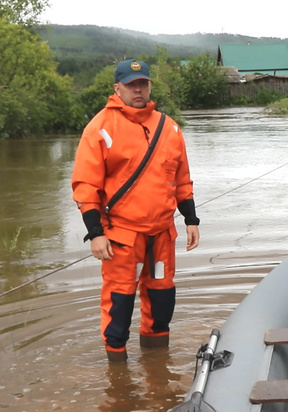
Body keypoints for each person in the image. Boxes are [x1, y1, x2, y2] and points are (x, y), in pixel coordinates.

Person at [71, 59, 200, 363]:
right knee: (119, 304)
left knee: (162, 300)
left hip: (162, 235)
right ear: (117, 89)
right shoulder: (100, 128)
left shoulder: (169, 127)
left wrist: (191, 219)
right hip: (121, 237)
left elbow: (182, 178)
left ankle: (157, 368)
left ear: (150, 85)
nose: (138, 89)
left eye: (143, 83)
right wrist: (95, 233)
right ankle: (117, 377)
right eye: (131, 84)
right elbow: (85, 186)